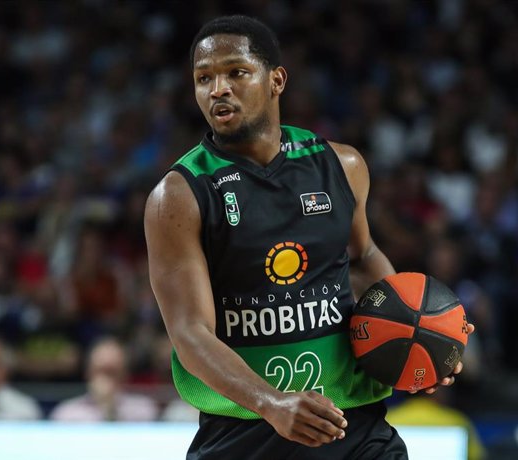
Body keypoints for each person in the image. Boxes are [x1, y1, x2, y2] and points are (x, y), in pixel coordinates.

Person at [144, 15, 474, 459]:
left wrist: (421, 335)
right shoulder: (178, 196)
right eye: (204, 78)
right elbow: (190, 331)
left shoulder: (342, 165)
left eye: (235, 73)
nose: (217, 88)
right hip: (246, 431)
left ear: (276, 79)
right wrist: (271, 403)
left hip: (353, 425)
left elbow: (363, 257)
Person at [49, 337, 158, 422]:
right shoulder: (66, 414)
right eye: (101, 371)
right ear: (88, 372)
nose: (106, 380)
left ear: (125, 374)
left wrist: (110, 409)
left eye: (112, 372)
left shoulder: (143, 410)